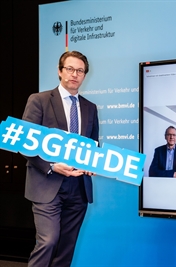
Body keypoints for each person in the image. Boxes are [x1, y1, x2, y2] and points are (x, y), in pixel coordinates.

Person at [22, 51, 99, 267]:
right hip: (47, 183)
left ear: (84, 75)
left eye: (80, 71)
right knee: (48, 241)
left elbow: (94, 144)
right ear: (60, 71)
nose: (75, 74)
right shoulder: (39, 100)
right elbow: (25, 144)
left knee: (66, 248)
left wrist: (93, 163)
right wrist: (52, 166)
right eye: (70, 69)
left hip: (78, 187)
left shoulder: (90, 108)